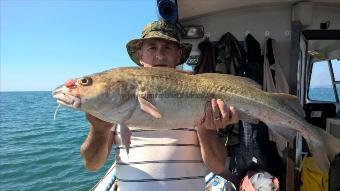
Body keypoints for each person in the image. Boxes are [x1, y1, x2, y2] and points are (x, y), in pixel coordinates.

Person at [80, 20, 239, 191]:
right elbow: (92, 164)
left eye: (167, 48)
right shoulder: (118, 98)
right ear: (140, 55)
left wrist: (206, 130)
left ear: (178, 55)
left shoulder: (199, 94)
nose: (160, 56)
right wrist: (98, 130)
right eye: (152, 48)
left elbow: (217, 166)